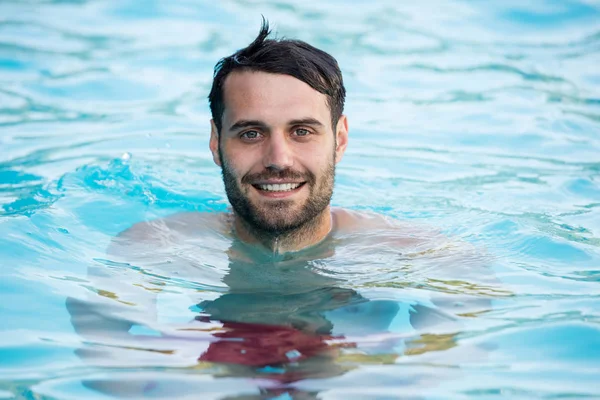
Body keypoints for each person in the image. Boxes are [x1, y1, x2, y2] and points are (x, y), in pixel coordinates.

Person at [67, 19, 501, 397]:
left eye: (302, 131)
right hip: (215, 357)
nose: (278, 159)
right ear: (217, 142)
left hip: (350, 354)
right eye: (251, 133)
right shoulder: (153, 245)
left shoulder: (413, 250)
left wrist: (405, 368)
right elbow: (110, 360)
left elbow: (458, 338)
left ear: (341, 139)